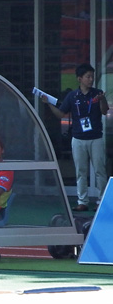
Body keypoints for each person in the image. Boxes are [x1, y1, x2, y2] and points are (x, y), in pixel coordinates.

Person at [44, 63, 108, 212]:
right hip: (78, 138)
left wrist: (102, 99)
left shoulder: (97, 93)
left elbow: (104, 111)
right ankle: (82, 201)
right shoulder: (72, 96)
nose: (91, 79)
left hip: (96, 137)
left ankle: (102, 200)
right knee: (81, 171)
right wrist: (48, 104)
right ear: (80, 79)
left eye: (92, 77)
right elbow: (61, 114)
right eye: (88, 77)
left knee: (100, 170)